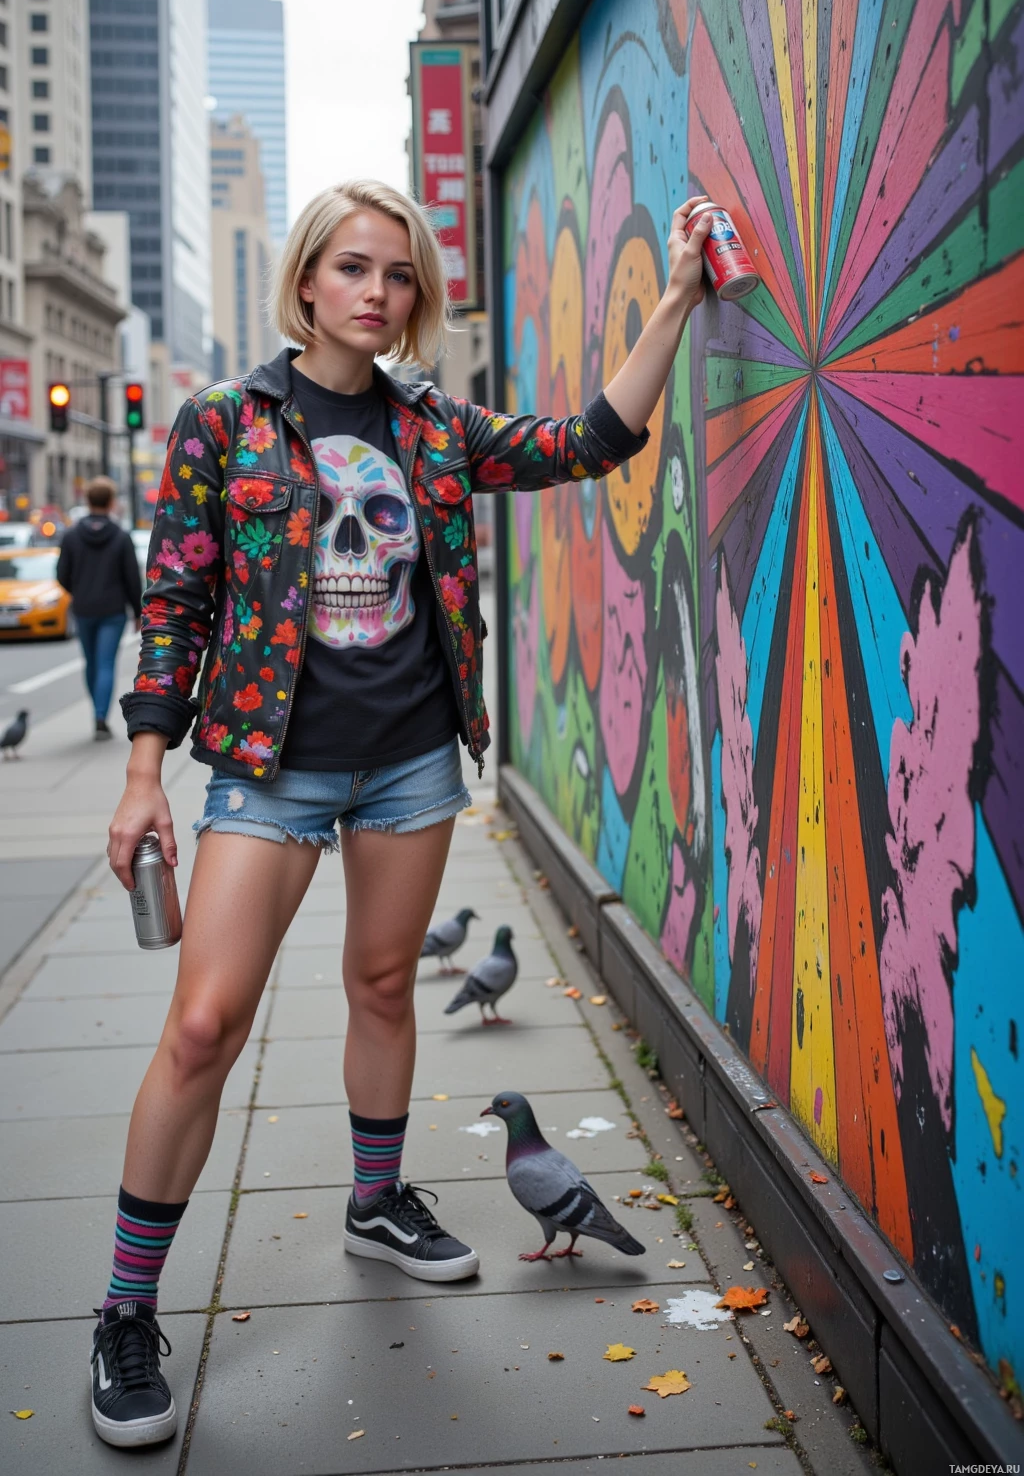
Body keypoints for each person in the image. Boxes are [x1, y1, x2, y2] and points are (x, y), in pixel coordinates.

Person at [92, 178, 713, 1448]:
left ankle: (375, 1203)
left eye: (397, 274)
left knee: (384, 986)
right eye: (353, 268)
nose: (377, 292)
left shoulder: (432, 425)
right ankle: (125, 1309)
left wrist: (682, 297)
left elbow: (587, 441)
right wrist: (146, 771)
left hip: (412, 763)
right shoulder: (223, 422)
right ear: (306, 281)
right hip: (268, 766)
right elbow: (177, 603)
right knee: (203, 1026)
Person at [57, 475, 143, 741]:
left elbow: (61, 574)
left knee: (91, 662)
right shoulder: (121, 536)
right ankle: (100, 716)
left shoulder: (71, 536)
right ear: (111, 501)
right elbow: (132, 578)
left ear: (87, 500)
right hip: (113, 610)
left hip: (83, 609)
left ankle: (97, 709)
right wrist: (137, 611)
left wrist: (79, 591)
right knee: (106, 663)